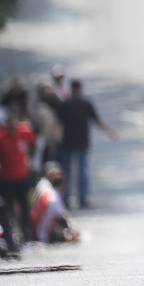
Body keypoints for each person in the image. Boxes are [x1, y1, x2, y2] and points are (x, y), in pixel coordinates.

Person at [56, 80, 117, 210]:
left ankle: (65, 199)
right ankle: (82, 200)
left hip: (67, 142)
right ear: (80, 89)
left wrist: (52, 139)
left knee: (66, 173)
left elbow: (57, 123)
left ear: (71, 89)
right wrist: (109, 131)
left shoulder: (65, 105)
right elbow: (97, 121)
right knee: (82, 172)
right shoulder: (85, 104)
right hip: (82, 142)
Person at [0, 107, 36, 243]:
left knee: (24, 206)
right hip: (7, 177)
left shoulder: (25, 131)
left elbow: (34, 144)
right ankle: (10, 233)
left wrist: (29, 159)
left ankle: (25, 233)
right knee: (8, 206)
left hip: (22, 175)